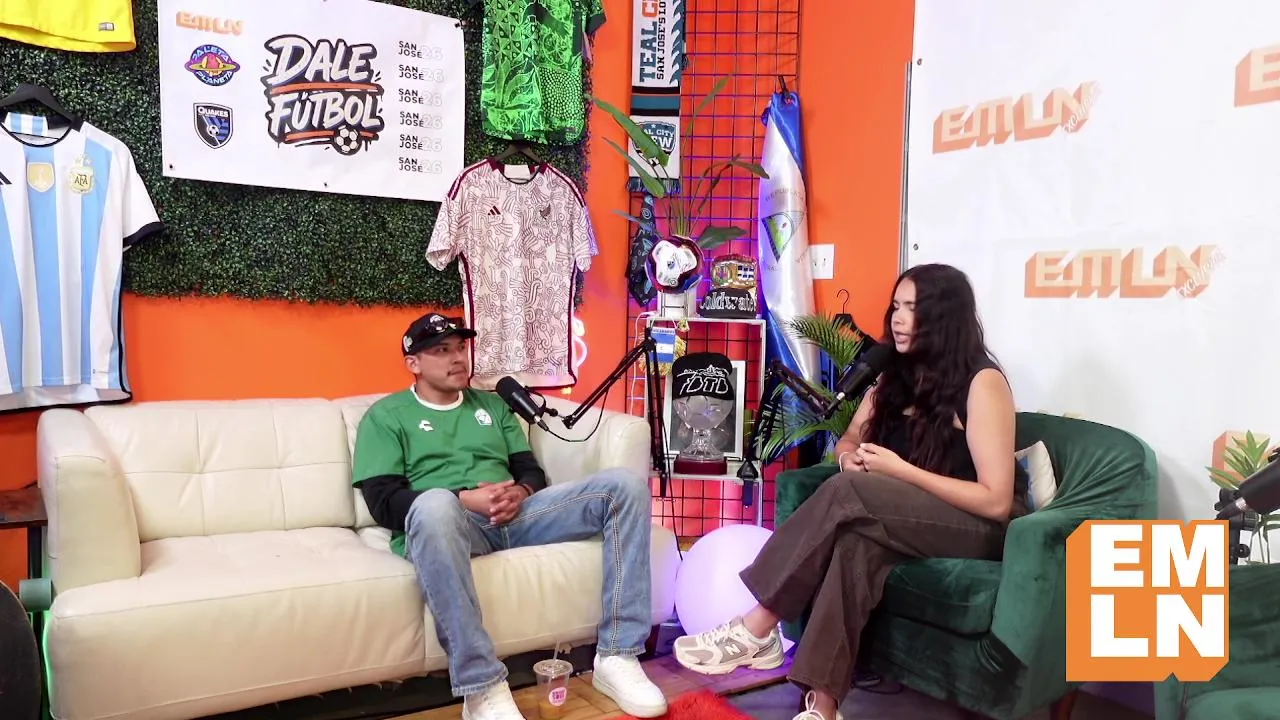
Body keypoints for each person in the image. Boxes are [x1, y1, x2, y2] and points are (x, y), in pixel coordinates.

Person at [672, 264, 1029, 720]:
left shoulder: (983, 382)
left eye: (913, 309)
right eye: (896, 307)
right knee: (854, 545)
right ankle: (822, 708)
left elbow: (996, 500)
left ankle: (757, 624)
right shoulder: (893, 376)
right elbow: (850, 438)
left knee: (847, 494)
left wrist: (901, 472)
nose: (898, 319)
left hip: (976, 526)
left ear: (944, 317)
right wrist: (847, 460)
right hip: (906, 517)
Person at [352, 313, 669, 720]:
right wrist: (465, 499)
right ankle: (481, 686)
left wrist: (521, 492)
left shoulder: (492, 405)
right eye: (442, 351)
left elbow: (529, 470)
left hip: (517, 516)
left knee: (624, 486)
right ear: (413, 363)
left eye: (461, 348)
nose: (458, 358)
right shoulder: (386, 415)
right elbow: (383, 502)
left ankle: (618, 655)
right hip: (452, 523)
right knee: (433, 506)